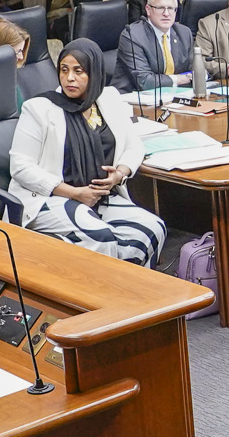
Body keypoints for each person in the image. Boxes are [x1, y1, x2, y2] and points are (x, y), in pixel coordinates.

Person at [9, 41, 166, 267]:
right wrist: (74, 193)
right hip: (50, 199)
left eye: (78, 71)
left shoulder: (109, 99)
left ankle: (129, 294)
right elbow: (20, 167)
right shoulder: (39, 108)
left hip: (98, 197)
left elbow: (134, 146)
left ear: (95, 73)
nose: (70, 78)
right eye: (64, 70)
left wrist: (118, 175)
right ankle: (102, 298)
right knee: (99, 236)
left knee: (151, 229)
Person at [119, 0, 196, 91]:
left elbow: (196, 71)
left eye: (170, 8)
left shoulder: (184, 32)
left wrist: (199, 75)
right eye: (160, 8)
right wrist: (181, 79)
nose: (166, 14)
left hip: (176, 97)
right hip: (136, 99)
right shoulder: (132, 35)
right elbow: (145, 81)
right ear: (148, 10)